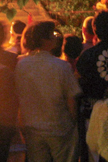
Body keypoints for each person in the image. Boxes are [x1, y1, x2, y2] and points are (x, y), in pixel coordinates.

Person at [15, 21, 81, 162]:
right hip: (59, 127)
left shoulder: (21, 65)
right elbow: (71, 100)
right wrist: (73, 122)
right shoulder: (62, 66)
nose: (55, 37)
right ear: (44, 40)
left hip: (32, 128)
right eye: (51, 34)